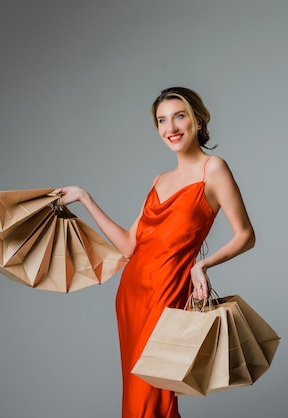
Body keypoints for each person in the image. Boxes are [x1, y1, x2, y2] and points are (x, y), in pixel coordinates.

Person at [51, 86, 255, 418]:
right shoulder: (159, 180)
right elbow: (130, 246)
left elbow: (245, 236)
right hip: (132, 295)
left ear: (198, 120)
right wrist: (86, 199)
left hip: (169, 293)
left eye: (179, 116)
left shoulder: (214, 169)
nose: (170, 128)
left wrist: (201, 265)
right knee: (139, 396)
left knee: (152, 400)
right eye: (162, 121)